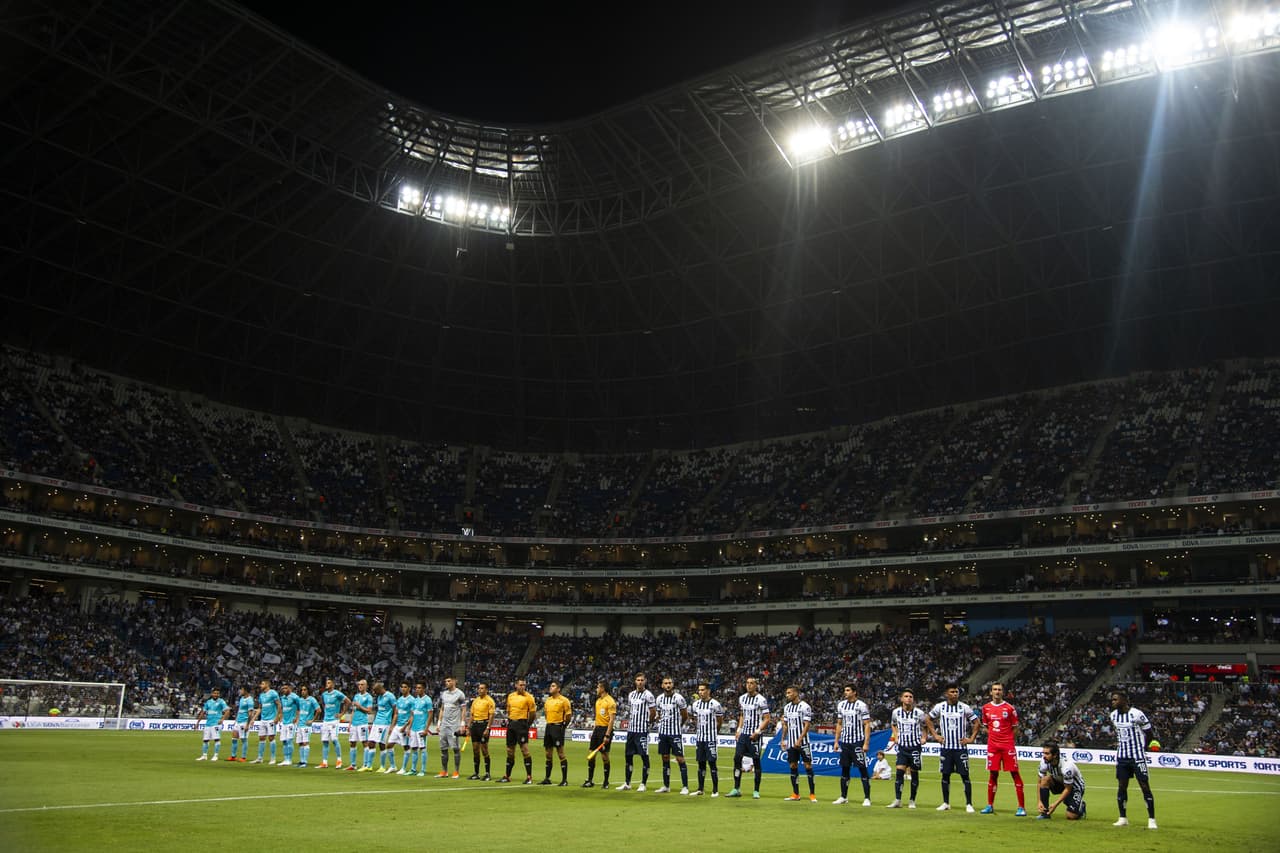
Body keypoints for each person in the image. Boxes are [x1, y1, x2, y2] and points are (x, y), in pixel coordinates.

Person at [928, 683, 980, 812]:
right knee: (945, 775)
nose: (955, 694)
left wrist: (971, 739)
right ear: (946, 694)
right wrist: (935, 735)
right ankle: (946, 803)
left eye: (956, 692)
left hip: (960, 748)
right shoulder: (940, 707)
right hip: (946, 747)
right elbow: (928, 719)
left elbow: (976, 722)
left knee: (965, 775)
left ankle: (969, 804)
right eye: (952, 692)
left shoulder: (964, 707)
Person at [1110, 690, 1157, 830]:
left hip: (1137, 756)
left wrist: (1144, 748)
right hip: (1122, 757)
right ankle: (1122, 818)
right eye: (1112, 699)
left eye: (1115, 699)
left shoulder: (1136, 714)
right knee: (1122, 786)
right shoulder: (1113, 715)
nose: (1113, 702)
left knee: (1144, 786)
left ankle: (1152, 819)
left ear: (1124, 700)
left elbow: (1149, 733)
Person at [979, 682, 1026, 815]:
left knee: (1015, 774)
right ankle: (990, 805)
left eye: (999, 689)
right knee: (993, 774)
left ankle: (1021, 807)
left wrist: (1008, 740)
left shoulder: (1010, 708)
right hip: (993, 747)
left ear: (1003, 692)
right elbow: (985, 726)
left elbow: (1015, 728)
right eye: (995, 689)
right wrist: (993, 736)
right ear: (991, 692)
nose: (997, 692)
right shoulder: (986, 708)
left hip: (1007, 746)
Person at [727, 676, 771, 799]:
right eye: (747, 683)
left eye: (752, 683)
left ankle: (756, 790)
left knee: (756, 761)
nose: (749, 685)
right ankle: (736, 788)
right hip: (744, 734)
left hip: (755, 735)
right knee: (737, 759)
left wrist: (757, 732)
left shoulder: (761, 700)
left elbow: (767, 718)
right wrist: (738, 730)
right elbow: (742, 715)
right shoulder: (742, 698)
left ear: (756, 685)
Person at [833, 683, 872, 806]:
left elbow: (867, 724)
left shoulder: (861, 705)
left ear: (854, 692)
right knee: (845, 769)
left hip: (857, 742)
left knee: (862, 768)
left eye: (848, 690)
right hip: (845, 742)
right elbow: (839, 724)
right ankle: (843, 796)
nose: (846, 692)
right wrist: (836, 741)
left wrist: (866, 743)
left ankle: (867, 798)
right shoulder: (841, 705)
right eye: (845, 690)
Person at [887, 688, 927, 808]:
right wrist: (896, 736)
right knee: (899, 772)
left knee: (914, 774)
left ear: (913, 699)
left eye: (910, 697)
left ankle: (912, 800)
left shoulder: (919, 713)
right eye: (906, 696)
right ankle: (898, 800)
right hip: (902, 747)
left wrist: (924, 737)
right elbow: (893, 724)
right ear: (901, 699)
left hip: (915, 747)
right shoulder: (896, 712)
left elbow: (925, 725)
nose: (908, 698)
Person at [617, 672, 657, 792]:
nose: (640, 682)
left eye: (642, 680)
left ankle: (643, 784)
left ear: (645, 681)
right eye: (638, 680)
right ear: (635, 681)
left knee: (644, 756)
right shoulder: (631, 695)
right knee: (628, 756)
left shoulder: (648, 695)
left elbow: (653, 711)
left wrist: (648, 723)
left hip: (642, 731)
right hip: (631, 730)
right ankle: (627, 783)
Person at [779, 685, 817, 802]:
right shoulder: (787, 708)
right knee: (793, 766)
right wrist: (783, 739)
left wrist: (800, 739)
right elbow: (785, 725)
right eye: (787, 693)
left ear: (796, 693)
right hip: (791, 743)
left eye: (789, 693)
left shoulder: (805, 707)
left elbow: (807, 725)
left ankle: (812, 794)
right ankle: (796, 794)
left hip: (803, 743)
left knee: (808, 766)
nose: (787, 695)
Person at [654, 676, 690, 794]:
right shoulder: (659, 699)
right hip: (663, 733)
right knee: (665, 758)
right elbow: (659, 714)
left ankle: (685, 786)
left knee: (680, 758)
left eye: (670, 683)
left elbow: (685, 715)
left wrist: (679, 725)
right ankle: (666, 786)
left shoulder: (678, 698)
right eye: (665, 683)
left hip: (675, 733)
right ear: (662, 685)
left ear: (672, 685)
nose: (668, 685)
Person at [1036, 741, 1086, 821]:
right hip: (1060, 783)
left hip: (1074, 787)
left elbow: (1068, 789)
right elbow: (1039, 782)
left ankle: (1081, 806)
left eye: (1047, 754)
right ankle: (1045, 813)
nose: (1044, 756)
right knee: (1045, 779)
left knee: (1071, 816)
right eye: (1043, 753)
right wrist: (1039, 802)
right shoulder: (1044, 762)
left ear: (1055, 755)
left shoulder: (1067, 767)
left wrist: (1055, 805)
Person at [499, 678, 536, 784]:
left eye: (524, 685)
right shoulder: (510, 696)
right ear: (516, 685)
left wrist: (527, 725)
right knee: (510, 751)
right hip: (511, 724)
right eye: (520, 685)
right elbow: (509, 710)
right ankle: (507, 776)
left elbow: (532, 714)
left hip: (522, 724)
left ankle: (529, 777)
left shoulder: (529, 697)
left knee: (524, 750)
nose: (522, 687)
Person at [689, 682, 723, 797]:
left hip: (710, 738)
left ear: (708, 691)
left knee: (712, 763)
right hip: (700, 738)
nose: (700, 692)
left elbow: (719, 721)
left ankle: (715, 790)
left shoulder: (715, 704)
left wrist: (714, 732)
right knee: (701, 764)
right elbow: (695, 719)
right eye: (699, 690)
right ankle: (700, 789)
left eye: (703, 690)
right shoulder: (696, 705)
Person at [583, 681, 616, 788]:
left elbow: (612, 720)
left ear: (603, 688)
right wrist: (594, 730)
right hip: (597, 729)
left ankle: (606, 782)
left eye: (598, 687)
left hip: (605, 729)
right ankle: (589, 780)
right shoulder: (598, 701)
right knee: (591, 754)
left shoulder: (610, 701)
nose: (596, 689)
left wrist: (607, 735)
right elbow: (598, 718)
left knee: (604, 756)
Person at [434, 676, 467, 779]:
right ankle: (444, 771)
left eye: (449, 681)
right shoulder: (444, 694)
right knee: (443, 749)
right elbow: (442, 709)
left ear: (454, 681)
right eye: (446, 681)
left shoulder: (460, 694)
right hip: (444, 725)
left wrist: (462, 724)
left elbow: (463, 709)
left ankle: (456, 771)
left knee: (455, 749)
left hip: (454, 725)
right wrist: (439, 723)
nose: (446, 683)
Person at [540, 681, 572, 786]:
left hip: (558, 727)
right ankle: (547, 778)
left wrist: (563, 726)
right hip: (549, 726)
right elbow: (546, 714)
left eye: (553, 686)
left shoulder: (564, 700)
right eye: (550, 686)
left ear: (558, 689)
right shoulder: (548, 700)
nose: (551, 687)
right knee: (548, 754)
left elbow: (568, 716)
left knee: (560, 753)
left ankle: (564, 780)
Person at [401, 680, 433, 776]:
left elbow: (430, 715)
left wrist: (426, 729)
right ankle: (413, 769)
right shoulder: (415, 700)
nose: (417, 690)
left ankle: (422, 770)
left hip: (421, 728)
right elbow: (412, 715)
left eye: (419, 688)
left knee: (422, 749)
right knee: (414, 749)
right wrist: (409, 728)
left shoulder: (427, 700)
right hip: (413, 728)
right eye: (416, 688)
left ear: (424, 689)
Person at [466, 682, 495, 780]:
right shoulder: (475, 701)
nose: (480, 690)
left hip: (483, 725)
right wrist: (468, 727)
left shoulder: (490, 701)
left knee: (484, 749)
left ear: (486, 690)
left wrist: (488, 728)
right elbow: (472, 715)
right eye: (479, 688)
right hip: (475, 725)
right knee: (475, 750)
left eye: (482, 688)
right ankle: (476, 773)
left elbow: (491, 715)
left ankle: (487, 773)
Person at [318, 677, 348, 768]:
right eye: (326, 683)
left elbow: (348, 702)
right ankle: (324, 762)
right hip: (325, 720)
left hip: (334, 720)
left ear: (333, 684)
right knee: (325, 741)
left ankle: (339, 760)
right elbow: (323, 703)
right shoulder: (324, 694)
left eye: (329, 683)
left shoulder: (337, 694)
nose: (327, 684)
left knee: (334, 740)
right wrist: (326, 711)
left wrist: (341, 714)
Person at [250, 679, 281, 765]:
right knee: (261, 738)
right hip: (263, 719)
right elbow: (260, 708)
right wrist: (253, 719)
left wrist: (277, 717)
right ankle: (260, 758)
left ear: (267, 684)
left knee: (271, 738)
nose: (261, 685)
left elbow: (279, 705)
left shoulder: (273, 693)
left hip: (271, 719)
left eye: (262, 684)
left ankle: (273, 758)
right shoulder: (261, 695)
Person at [368, 681, 396, 772]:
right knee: (371, 742)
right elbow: (379, 710)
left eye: (375, 691)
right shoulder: (379, 697)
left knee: (381, 744)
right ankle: (369, 766)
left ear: (380, 689)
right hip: (376, 722)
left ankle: (382, 766)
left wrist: (392, 725)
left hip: (385, 723)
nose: (374, 693)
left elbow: (396, 710)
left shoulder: (390, 696)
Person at [347, 678, 374, 772]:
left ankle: (365, 764)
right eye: (359, 684)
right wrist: (350, 723)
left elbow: (369, 710)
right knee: (352, 743)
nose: (360, 686)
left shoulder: (369, 697)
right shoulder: (356, 696)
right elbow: (353, 710)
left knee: (365, 743)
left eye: (362, 684)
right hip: (354, 723)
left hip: (362, 723)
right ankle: (353, 765)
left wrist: (360, 706)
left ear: (366, 686)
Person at [196, 686, 229, 761]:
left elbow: (227, 711)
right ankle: (204, 755)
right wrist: (198, 722)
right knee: (205, 740)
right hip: (208, 723)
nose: (216, 695)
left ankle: (215, 755)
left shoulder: (221, 701)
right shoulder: (208, 702)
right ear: (212, 694)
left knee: (216, 739)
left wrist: (222, 719)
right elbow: (203, 712)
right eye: (215, 693)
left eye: (217, 693)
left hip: (216, 723)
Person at [389, 681, 414, 774]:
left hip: (405, 727)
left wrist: (406, 727)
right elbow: (396, 713)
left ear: (409, 688)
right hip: (397, 726)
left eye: (405, 687)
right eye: (402, 687)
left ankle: (403, 768)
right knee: (389, 745)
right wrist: (392, 726)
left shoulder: (412, 700)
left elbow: (412, 715)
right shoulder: (399, 699)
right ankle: (393, 766)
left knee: (406, 747)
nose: (403, 688)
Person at [295, 684, 320, 768]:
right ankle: (301, 761)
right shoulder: (300, 700)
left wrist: (312, 720)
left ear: (308, 691)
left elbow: (319, 710)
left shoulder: (312, 699)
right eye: (302, 690)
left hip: (306, 725)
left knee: (305, 742)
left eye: (304, 690)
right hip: (300, 725)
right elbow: (298, 710)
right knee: (300, 743)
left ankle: (305, 762)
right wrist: (297, 719)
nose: (303, 691)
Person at [277, 683, 300, 766]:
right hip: (284, 722)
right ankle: (285, 759)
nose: (284, 690)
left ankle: (289, 760)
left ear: (290, 688)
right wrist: (280, 716)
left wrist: (297, 718)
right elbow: (282, 708)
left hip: (291, 722)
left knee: (289, 741)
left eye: (286, 688)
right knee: (284, 741)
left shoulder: (295, 697)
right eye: (283, 688)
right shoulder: (282, 698)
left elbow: (299, 708)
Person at [230, 685, 254, 762]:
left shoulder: (250, 700)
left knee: (244, 739)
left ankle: (243, 757)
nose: (240, 691)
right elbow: (239, 710)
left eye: (242, 690)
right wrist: (236, 720)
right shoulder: (241, 698)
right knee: (234, 739)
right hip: (238, 721)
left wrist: (248, 724)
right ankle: (233, 756)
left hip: (244, 722)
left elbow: (250, 713)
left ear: (246, 691)